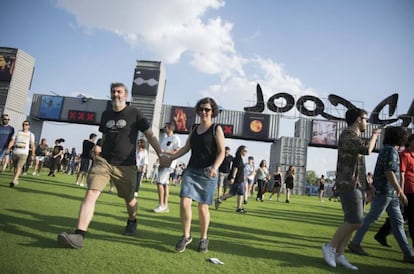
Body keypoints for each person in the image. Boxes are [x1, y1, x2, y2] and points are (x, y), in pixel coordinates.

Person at [57, 82, 164, 249]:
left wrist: (161, 154)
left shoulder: (134, 113)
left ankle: (132, 220)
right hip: (104, 162)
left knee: (129, 199)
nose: (116, 94)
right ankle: (79, 235)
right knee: (91, 193)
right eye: (113, 92)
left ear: (125, 95)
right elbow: (105, 136)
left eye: (119, 92)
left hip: (126, 165)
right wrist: (99, 146)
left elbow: (150, 135)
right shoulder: (106, 114)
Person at [322, 108, 381, 270]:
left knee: (352, 220)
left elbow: (360, 163)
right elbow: (367, 150)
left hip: (357, 184)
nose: (366, 122)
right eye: (365, 119)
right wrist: (375, 136)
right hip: (348, 184)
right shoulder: (348, 135)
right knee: (355, 220)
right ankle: (330, 247)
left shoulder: (354, 137)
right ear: (357, 119)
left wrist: (369, 185)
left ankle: (339, 254)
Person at [163, 97, 225, 253]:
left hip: (208, 172)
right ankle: (186, 235)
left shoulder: (216, 128)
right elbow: (186, 148)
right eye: (201, 109)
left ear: (213, 111)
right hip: (191, 170)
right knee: (184, 202)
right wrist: (170, 158)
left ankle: (204, 238)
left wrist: (215, 167)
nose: (204, 112)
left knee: (202, 207)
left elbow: (222, 152)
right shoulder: (194, 128)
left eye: (207, 109)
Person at [347, 126, 414, 264]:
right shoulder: (391, 151)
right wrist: (400, 191)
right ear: (399, 137)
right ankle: (355, 243)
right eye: (404, 135)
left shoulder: (389, 150)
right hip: (386, 192)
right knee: (373, 218)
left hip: (390, 193)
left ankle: (408, 253)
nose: (406, 138)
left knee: (398, 222)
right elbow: (389, 172)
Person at [153, 122, 181, 213]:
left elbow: (177, 151)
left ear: (170, 128)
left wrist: (166, 152)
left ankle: (161, 204)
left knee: (159, 182)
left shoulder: (175, 138)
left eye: (165, 127)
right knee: (165, 184)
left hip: (169, 163)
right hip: (162, 162)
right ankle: (165, 205)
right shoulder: (165, 139)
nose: (164, 128)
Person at [215, 145, 248, 213]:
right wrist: (233, 177)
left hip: (239, 178)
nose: (246, 152)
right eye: (245, 151)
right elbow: (235, 168)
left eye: (246, 151)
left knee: (232, 193)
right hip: (238, 179)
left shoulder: (239, 158)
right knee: (240, 193)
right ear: (240, 151)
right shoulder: (238, 158)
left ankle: (220, 199)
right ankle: (239, 208)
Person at [8, 120, 35, 187]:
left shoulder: (31, 134)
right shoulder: (18, 132)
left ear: (29, 126)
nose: (24, 126)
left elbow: (32, 145)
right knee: (15, 168)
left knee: (19, 167)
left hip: (24, 153)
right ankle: (16, 178)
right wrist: (8, 148)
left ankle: (13, 180)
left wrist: (32, 154)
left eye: (26, 124)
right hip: (15, 151)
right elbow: (12, 141)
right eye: (23, 124)